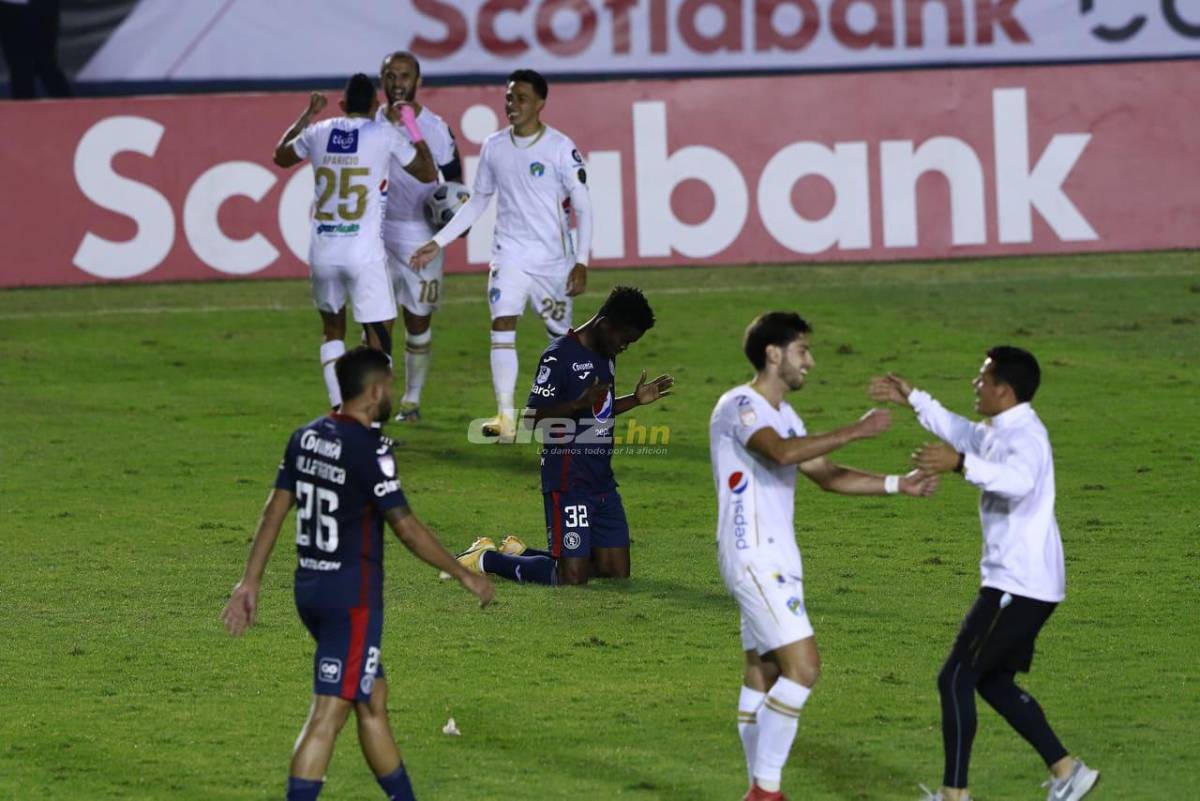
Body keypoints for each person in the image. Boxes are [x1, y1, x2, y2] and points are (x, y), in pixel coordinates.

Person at [221, 346, 494, 801]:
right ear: (372, 392)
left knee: (373, 698)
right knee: (329, 712)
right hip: (351, 598)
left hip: (310, 587)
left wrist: (249, 581)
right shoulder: (370, 449)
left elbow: (274, 509)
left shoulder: (305, 436)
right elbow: (405, 527)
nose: (392, 392)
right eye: (388, 385)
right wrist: (463, 574)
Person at [711, 312, 938, 801]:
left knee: (764, 671)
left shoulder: (788, 417)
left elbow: (828, 474)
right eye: (802, 351)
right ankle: (765, 793)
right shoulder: (740, 405)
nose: (810, 362)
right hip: (754, 556)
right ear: (773, 354)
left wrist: (901, 484)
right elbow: (779, 454)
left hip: (778, 558)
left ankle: (758, 786)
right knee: (804, 668)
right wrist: (854, 430)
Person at [869, 348, 1099, 801]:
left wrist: (958, 464)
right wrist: (914, 398)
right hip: (1023, 581)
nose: (975, 385)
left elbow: (1017, 481)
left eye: (983, 378)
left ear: (1004, 390)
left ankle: (955, 795)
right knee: (991, 682)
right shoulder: (1000, 429)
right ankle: (1068, 770)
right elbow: (961, 432)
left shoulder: (1026, 437)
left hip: (1018, 583)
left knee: (954, 678)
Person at [409, 68, 592, 442]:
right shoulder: (494, 146)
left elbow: (584, 206)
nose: (512, 104)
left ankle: (573, 408)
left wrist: (581, 260)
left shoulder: (559, 148)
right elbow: (478, 200)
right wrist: (439, 241)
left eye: (521, 98)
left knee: (561, 337)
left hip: (552, 259)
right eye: (509, 97)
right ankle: (506, 415)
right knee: (502, 325)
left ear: (540, 103)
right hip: (508, 255)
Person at [449, 286, 672, 586]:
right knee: (571, 578)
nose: (624, 347)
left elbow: (599, 411)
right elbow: (531, 420)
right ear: (605, 324)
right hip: (569, 481)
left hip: (601, 480)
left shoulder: (605, 353)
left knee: (614, 572)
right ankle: (485, 559)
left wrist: (635, 399)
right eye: (624, 340)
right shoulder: (559, 357)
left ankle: (521, 553)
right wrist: (577, 403)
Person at [273, 73, 436, 411]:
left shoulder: (318, 131)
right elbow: (427, 171)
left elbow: (281, 156)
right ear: (376, 105)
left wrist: (308, 113)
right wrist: (410, 123)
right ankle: (372, 416)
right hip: (363, 254)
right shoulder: (385, 134)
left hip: (323, 252)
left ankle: (338, 409)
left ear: (342, 105)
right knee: (379, 339)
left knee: (333, 330)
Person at [376, 51, 463, 423]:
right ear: (381, 80)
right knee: (377, 322)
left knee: (417, 321)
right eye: (391, 75)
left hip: (419, 236)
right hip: (376, 234)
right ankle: (377, 403)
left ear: (418, 80)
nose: (398, 82)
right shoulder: (369, 124)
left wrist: (450, 227)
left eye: (405, 75)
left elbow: (455, 184)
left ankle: (411, 399)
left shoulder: (436, 128)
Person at [0, 0, 71, 99]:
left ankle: (72, 107)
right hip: (9, 9)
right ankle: (23, 109)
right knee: (19, 67)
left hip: (41, 7)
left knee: (45, 62)